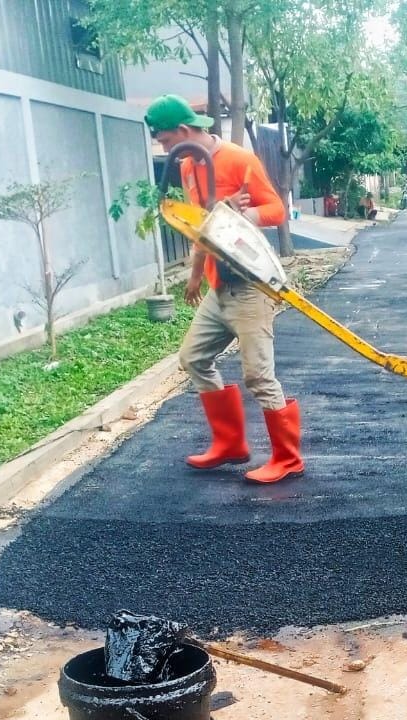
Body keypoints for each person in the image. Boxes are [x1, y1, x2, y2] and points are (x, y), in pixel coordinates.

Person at [144, 94, 303, 483]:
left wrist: (239, 214)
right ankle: (230, 444)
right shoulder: (186, 167)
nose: (166, 149)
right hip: (219, 287)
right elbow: (201, 223)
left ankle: (288, 458)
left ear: (184, 131)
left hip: (249, 287)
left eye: (166, 141)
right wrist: (197, 273)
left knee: (258, 376)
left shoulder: (239, 159)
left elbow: (276, 210)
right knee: (194, 358)